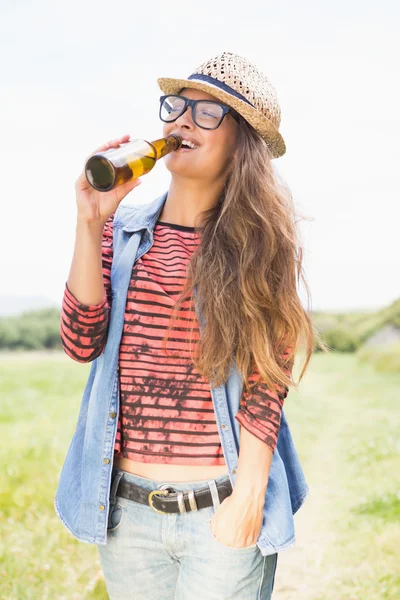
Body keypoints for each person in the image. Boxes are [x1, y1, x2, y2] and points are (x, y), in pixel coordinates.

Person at [55, 51, 318, 599]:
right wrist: (89, 224)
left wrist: (246, 498)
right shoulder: (120, 232)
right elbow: (81, 343)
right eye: (177, 107)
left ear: (241, 142)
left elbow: (267, 384)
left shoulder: (260, 247)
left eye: (206, 114)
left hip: (218, 508)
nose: (181, 122)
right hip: (126, 513)